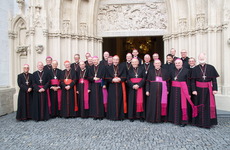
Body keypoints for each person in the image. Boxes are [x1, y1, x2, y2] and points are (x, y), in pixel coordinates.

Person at [191, 53, 219, 128]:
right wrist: (193, 90)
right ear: (198, 58)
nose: (201, 58)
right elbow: (192, 81)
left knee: (208, 105)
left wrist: (215, 89)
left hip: (208, 90)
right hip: (198, 90)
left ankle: (208, 122)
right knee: (198, 105)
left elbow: (214, 80)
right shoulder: (195, 68)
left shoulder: (211, 67)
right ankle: (198, 122)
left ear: (205, 58)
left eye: (203, 57)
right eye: (200, 57)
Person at [168, 59, 198, 127]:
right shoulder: (172, 70)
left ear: (182, 64)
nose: (177, 64)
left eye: (179, 63)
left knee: (182, 105)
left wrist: (189, 93)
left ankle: (183, 121)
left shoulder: (186, 71)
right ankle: (173, 119)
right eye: (176, 63)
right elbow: (170, 81)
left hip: (183, 90)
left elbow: (189, 83)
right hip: (173, 90)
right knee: (174, 104)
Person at [105, 55, 127, 120]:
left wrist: (120, 79)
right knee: (112, 101)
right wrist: (112, 80)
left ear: (118, 60)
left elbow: (125, 75)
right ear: (112, 60)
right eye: (114, 60)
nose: (116, 61)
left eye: (117, 60)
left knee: (120, 100)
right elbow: (106, 77)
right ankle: (112, 116)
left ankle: (120, 116)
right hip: (112, 86)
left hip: (120, 86)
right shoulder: (108, 68)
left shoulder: (122, 67)